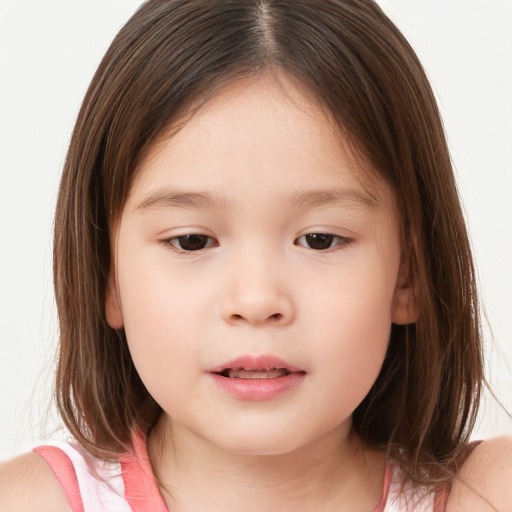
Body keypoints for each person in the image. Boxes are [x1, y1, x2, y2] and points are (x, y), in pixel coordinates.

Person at [0, 0, 510, 510]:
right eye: (192, 241)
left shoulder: (485, 493)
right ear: (107, 278)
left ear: (409, 276)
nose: (257, 299)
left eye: (320, 240)